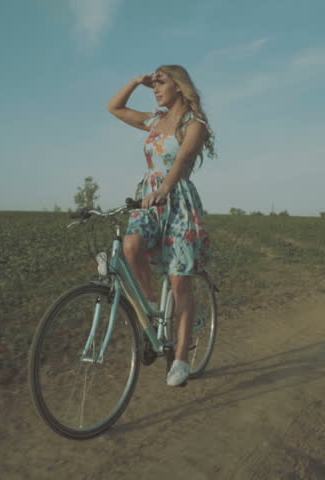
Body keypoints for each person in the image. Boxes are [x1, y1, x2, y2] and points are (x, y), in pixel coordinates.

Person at [107, 65, 215, 387]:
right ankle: (152, 306)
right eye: (152, 84)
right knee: (130, 245)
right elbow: (115, 107)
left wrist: (164, 190)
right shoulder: (154, 120)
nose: (155, 89)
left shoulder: (194, 125)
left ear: (179, 86)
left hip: (177, 199)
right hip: (148, 198)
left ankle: (181, 357)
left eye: (160, 83)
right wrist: (134, 81)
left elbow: (181, 162)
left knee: (180, 280)